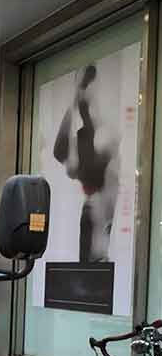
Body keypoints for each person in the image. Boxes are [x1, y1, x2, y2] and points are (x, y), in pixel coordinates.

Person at [53, 63, 119, 262]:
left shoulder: (103, 130)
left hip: (100, 206)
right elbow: (62, 154)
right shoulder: (83, 132)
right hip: (92, 208)